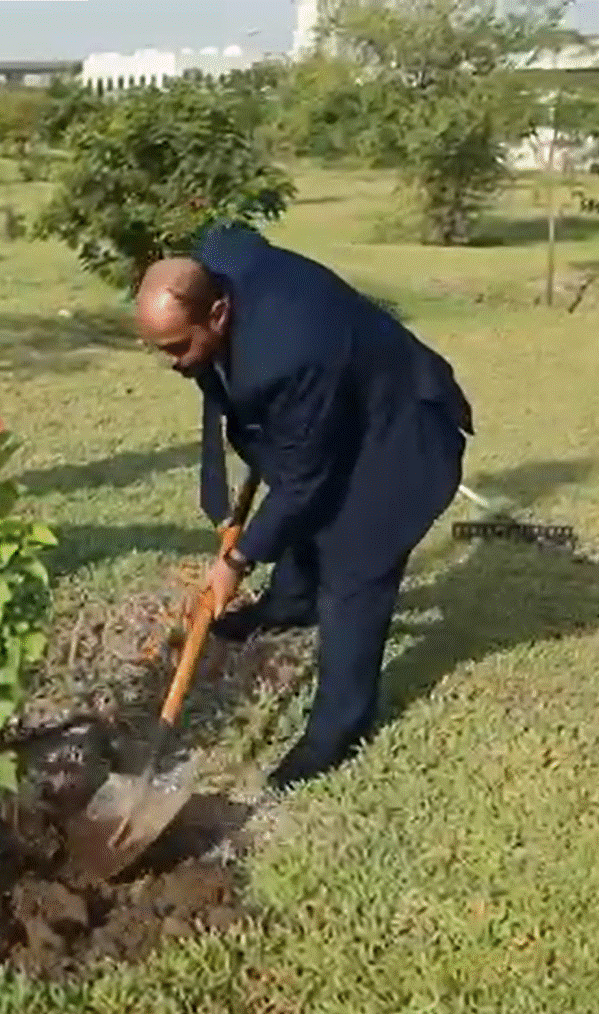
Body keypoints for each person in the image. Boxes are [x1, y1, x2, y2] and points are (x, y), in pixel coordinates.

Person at [133, 221, 473, 791]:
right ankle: (288, 605)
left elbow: (302, 483)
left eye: (177, 347)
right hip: (343, 402)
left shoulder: (288, 357)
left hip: (399, 432)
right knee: (305, 520)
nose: (171, 362)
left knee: (352, 570)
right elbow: (232, 232)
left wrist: (235, 561)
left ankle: (337, 731)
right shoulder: (223, 262)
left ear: (218, 314)